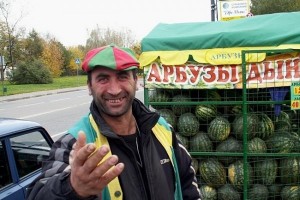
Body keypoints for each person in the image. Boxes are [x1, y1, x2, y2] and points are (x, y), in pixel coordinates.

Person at [26, 44, 201, 200]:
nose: (115, 90)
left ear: (136, 82)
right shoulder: (74, 143)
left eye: (123, 77)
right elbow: (38, 193)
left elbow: (186, 181)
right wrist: (72, 188)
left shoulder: (162, 128)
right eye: (103, 79)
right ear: (89, 86)